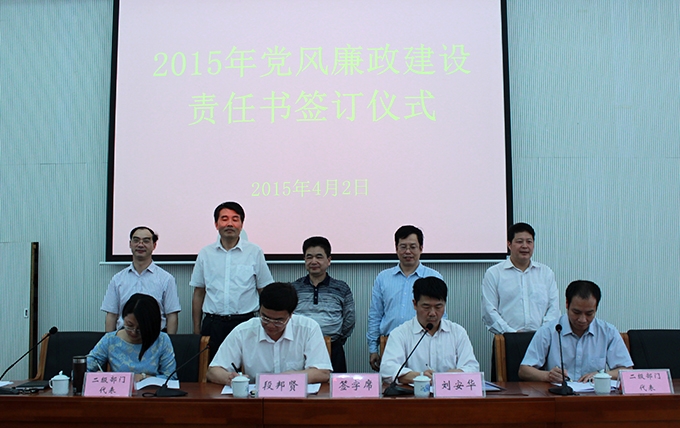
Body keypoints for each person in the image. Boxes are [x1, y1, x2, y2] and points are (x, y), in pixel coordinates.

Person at [191, 201, 274, 361]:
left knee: (247, 367)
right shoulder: (206, 253)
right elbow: (199, 293)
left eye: (235, 219)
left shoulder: (254, 252)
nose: (230, 223)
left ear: (241, 225)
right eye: (224, 219)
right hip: (213, 324)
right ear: (216, 224)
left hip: (246, 322)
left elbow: (264, 290)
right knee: (213, 368)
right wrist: (196, 329)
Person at [207, 282, 332, 386]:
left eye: (278, 321)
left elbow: (322, 372)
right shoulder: (243, 331)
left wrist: (282, 379)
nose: (271, 325)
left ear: (291, 314)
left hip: (297, 399)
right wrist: (229, 378)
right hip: (256, 401)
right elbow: (213, 371)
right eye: (265, 318)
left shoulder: (308, 328)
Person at [519, 280, 633, 383]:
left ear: (596, 308)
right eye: (576, 312)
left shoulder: (608, 332)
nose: (582, 320)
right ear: (567, 304)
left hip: (593, 395)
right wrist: (548, 376)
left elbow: (627, 371)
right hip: (557, 395)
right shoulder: (548, 330)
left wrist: (602, 375)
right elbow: (524, 370)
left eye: (589, 314)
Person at [367, 225, 443, 371]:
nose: (408, 251)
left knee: (423, 381)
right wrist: (373, 348)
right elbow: (375, 315)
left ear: (421, 248)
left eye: (413, 247)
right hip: (390, 343)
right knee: (392, 382)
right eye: (403, 247)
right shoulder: (383, 278)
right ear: (396, 248)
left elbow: (441, 315)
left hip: (424, 342)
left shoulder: (434, 277)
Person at [380, 277, 479, 384]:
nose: (432, 313)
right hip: (413, 393)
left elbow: (472, 367)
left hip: (449, 392)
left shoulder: (457, 332)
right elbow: (387, 370)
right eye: (426, 307)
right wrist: (420, 377)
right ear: (415, 304)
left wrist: (458, 373)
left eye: (438, 307)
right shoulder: (400, 333)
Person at [482, 222, 560, 335]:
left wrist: (542, 333)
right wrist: (511, 333)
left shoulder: (546, 273)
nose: (525, 246)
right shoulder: (494, 273)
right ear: (509, 244)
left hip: (543, 338)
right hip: (507, 338)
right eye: (519, 241)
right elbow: (489, 311)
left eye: (529, 242)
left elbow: (554, 308)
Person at [292, 236, 355, 373]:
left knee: (336, 385)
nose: (313, 261)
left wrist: (336, 338)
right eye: (309, 257)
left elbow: (349, 319)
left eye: (319, 257)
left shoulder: (341, 288)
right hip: (300, 348)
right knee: (301, 384)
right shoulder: (294, 288)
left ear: (329, 260)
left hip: (333, 347)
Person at [101, 226, 181, 334]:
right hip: (124, 336)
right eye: (136, 240)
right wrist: (109, 341)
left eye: (146, 241)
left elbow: (171, 315)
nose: (140, 245)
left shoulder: (166, 279)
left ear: (154, 245)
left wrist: (168, 341)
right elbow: (112, 315)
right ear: (130, 244)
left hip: (155, 337)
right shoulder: (118, 279)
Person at [88, 293, 176, 381]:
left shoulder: (162, 340)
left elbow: (171, 378)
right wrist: (98, 376)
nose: (133, 332)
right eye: (129, 325)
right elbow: (85, 367)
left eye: (140, 329)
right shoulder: (110, 340)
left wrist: (143, 377)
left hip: (151, 389)